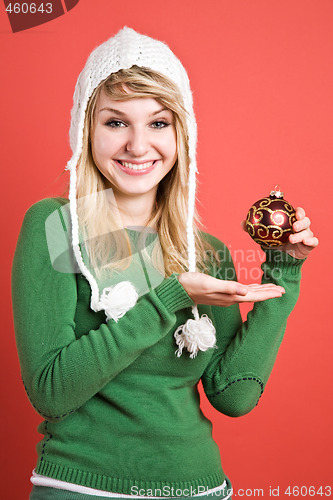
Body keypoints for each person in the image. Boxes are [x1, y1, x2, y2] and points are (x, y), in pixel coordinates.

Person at [11, 27, 318, 500]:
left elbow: (233, 397)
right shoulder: (54, 226)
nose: (138, 145)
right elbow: (51, 392)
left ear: (183, 134)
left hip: (202, 490)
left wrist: (284, 273)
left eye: (158, 123)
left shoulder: (207, 253)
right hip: (82, 489)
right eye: (115, 122)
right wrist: (169, 297)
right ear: (85, 130)